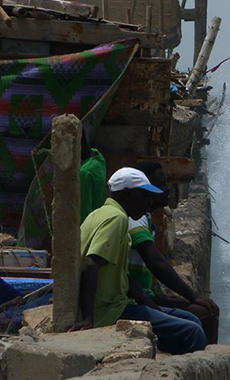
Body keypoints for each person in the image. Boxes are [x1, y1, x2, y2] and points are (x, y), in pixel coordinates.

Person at [74, 167, 207, 355]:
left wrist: (150, 305)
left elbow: (121, 276)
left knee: (191, 320)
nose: (149, 202)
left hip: (119, 303)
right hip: (110, 310)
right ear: (128, 194)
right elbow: (90, 265)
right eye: (145, 195)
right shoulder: (117, 219)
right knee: (192, 331)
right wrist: (89, 318)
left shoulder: (100, 213)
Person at [130, 161, 219, 344]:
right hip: (135, 301)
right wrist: (193, 296)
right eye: (161, 185)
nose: (168, 189)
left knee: (208, 309)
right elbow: (156, 262)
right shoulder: (135, 220)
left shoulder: (146, 220)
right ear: (146, 190)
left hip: (147, 295)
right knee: (205, 313)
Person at [80, 130, 106, 223]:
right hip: (99, 217)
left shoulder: (84, 173)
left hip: (89, 225)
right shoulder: (97, 156)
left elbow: (83, 211)